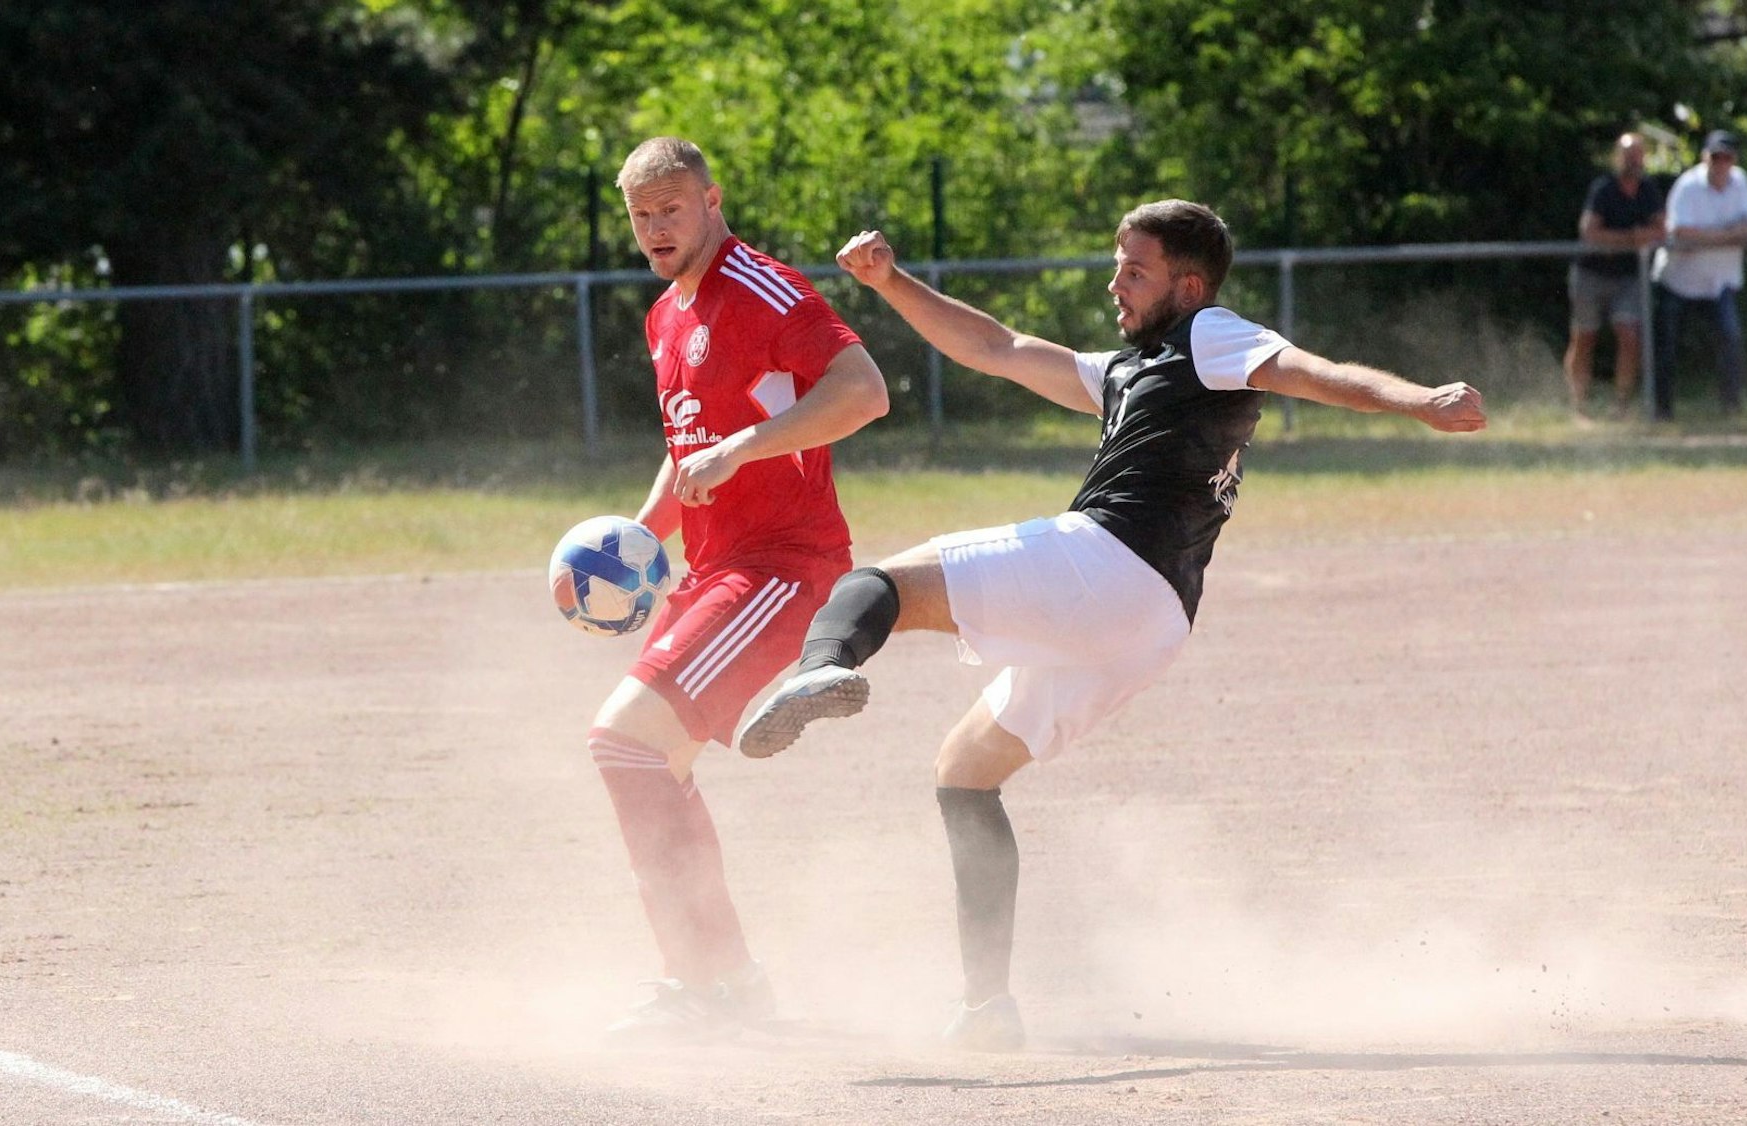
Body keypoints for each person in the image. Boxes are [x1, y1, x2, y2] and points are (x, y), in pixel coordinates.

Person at [735, 200, 1486, 1051]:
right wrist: (892, 282)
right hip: (1151, 620)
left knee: (878, 582)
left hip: (1110, 562)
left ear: (1189, 285)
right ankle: (987, 1009)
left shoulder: (1211, 335)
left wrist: (1420, 399)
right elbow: (999, 349)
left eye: (1135, 270)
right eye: (1117, 265)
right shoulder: (1137, 368)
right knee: (965, 772)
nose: (1114, 284)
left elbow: (1314, 371)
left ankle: (822, 665)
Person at [586, 136, 889, 1041]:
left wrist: (746, 448)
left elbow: (864, 391)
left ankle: (712, 984)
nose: (654, 230)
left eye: (671, 210)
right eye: (641, 216)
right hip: (716, 567)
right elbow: (689, 452)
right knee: (650, 761)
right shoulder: (664, 316)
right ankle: (724, 984)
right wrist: (642, 538)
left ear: (712, 201)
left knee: (626, 744)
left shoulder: (759, 288)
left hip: (782, 567)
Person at [1652, 130, 1747, 420]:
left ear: (1733, 159)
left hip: (1719, 283)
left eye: (1726, 157)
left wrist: (1706, 236)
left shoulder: (1741, 182)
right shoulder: (1687, 186)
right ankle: (1662, 410)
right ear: (1705, 157)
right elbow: (1682, 233)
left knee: (1731, 338)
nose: (1721, 163)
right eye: (1715, 156)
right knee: (1667, 347)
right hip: (1678, 282)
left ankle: (1731, 407)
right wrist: (1728, 234)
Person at [1564, 132, 1665, 419]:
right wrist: (1633, 238)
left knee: (1629, 335)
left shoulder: (1648, 190)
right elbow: (1589, 232)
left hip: (1628, 277)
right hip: (1590, 274)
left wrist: (1620, 240)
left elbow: (1661, 229)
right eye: (1627, 154)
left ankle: (1620, 404)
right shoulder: (1603, 189)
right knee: (1584, 336)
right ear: (1617, 157)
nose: (1633, 160)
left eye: (1638, 154)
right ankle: (1579, 406)